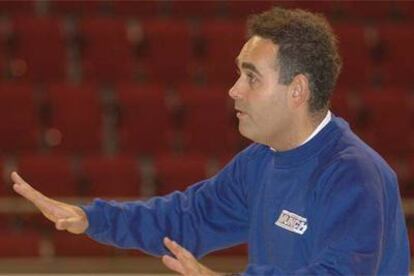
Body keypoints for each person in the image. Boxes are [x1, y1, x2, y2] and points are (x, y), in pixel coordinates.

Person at [11, 7, 409, 275]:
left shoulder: (354, 174)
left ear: (297, 90)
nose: (234, 90)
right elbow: (187, 218)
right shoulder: (260, 162)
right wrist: (90, 219)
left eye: (251, 77)